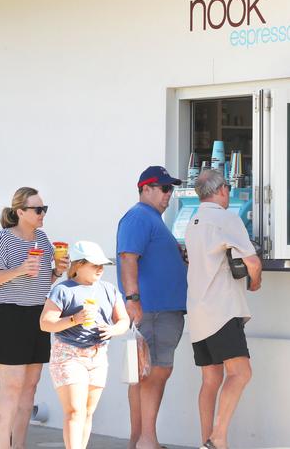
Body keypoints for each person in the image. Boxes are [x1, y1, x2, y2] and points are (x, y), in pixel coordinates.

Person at [0, 186, 69, 449]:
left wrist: (56, 272)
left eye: (44, 209)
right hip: (8, 316)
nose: (42, 214)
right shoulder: (3, 239)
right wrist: (18, 269)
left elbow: (40, 282)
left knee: (30, 389)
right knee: (12, 388)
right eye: (38, 209)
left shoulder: (42, 239)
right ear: (20, 212)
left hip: (36, 316)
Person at [184, 170, 262, 449]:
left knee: (210, 378)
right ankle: (218, 438)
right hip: (222, 310)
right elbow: (251, 261)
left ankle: (205, 440)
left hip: (197, 310)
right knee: (241, 373)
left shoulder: (192, 221)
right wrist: (256, 282)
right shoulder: (226, 218)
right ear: (222, 190)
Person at [116, 166, 187, 449]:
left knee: (144, 374)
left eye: (171, 189)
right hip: (154, 311)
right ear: (146, 188)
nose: (169, 195)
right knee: (156, 372)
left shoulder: (150, 219)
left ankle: (139, 439)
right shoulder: (138, 217)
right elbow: (128, 258)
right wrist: (133, 299)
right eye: (164, 188)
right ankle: (148, 440)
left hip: (157, 310)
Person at [40, 241, 129, 449]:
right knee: (74, 411)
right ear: (78, 265)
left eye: (102, 265)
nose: (100, 269)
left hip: (98, 355)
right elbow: (45, 324)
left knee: (88, 411)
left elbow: (123, 321)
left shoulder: (109, 289)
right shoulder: (62, 290)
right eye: (94, 264)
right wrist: (75, 319)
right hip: (68, 355)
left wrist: (113, 330)